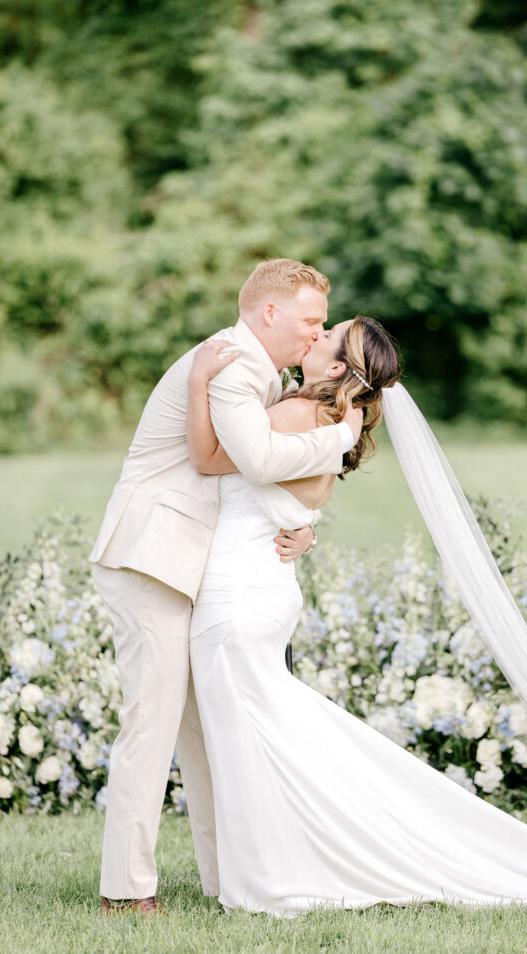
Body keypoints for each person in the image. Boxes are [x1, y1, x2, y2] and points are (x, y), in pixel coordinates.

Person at [186, 315, 527, 916]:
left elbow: (212, 460)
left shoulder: (295, 416)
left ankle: (277, 875)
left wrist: (196, 384)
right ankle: (286, 862)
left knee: (256, 740)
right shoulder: (329, 418)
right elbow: (303, 501)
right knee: (273, 737)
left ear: (338, 367)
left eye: (325, 336)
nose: (312, 338)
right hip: (266, 589)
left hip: (238, 594)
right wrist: (307, 524)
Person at [89, 259, 363, 915]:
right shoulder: (234, 364)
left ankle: (223, 878)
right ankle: (125, 894)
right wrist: (340, 440)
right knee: (152, 725)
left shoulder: (260, 372)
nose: (316, 333)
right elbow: (257, 461)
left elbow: (248, 478)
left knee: (203, 732)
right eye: (310, 320)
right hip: (153, 553)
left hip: (196, 561)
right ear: (268, 313)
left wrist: (303, 522)